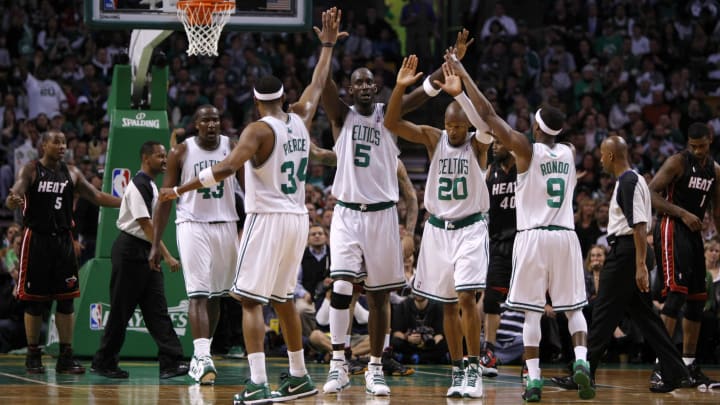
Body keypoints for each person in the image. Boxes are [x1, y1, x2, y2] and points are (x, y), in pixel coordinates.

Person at [158, 7, 342, 404]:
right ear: (281, 98)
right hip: (297, 217)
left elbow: (224, 169)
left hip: (268, 218)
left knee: (249, 300)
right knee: (284, 299)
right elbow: (316, 82)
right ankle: (298, 376)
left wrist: (180, 189)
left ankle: (258, 381)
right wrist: (326, 45)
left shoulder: (257, 130)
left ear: (257, 101)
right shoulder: (300, 118)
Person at [319, 28, 475, 398]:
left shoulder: (389, 115)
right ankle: (338, 363)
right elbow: (322, 83)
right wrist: (327, 47)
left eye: (371, 83)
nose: (365, 87)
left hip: (382, 216)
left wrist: (454, 61)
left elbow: (428, 89)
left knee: (378, 297)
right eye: (358, 83)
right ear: (350, 90)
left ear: (377, 89)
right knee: (341, 287)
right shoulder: (340, 116)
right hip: (346, 214)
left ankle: (375, 366)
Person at [440, 53, 593, 402]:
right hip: (567, 237)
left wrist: (463, 76)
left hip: (532, 238)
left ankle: (535, 379)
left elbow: (490, 117)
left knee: (531, 313)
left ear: (537, 128)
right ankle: (581, 360)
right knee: (574, 311)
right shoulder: (569, 152)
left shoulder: (526, 149)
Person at [383, 54, 490, 398]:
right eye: (451, 126)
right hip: (437, 230)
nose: (455, 131)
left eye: (460, 126)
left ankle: (474, 368)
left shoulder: (479, 143)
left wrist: (460, 93)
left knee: (466, 297)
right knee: (446, 304)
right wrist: (402, 88)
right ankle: (458, 370)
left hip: (470, 228)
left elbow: (486, 121)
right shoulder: (434, 138)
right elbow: (392, 121)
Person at [5, 130, 120, 374]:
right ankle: (33, 353)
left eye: (64, 142)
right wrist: (12, 199)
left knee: (66, 302)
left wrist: (128, 201)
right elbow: (16, 191)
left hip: (63, 242)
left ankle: (66, 356)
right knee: (34, 304)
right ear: (43, 145)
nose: (62, 146)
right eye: (56, 142)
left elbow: (97, 196)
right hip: (36, 240)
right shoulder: (31, 169)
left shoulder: (73, 172)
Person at [150, 104, 241, 385]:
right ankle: (201, 356)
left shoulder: (233, 146)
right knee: (198, 294)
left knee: (217, 295)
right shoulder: (182, 151)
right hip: (192, 225)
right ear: (196, 124)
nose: (212, 125)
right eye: (206, 120)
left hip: (226, 224)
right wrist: (156, 242)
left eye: (216, 119)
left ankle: (204, 353)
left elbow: (249, 188)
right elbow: (166, 198)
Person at [91, 141, 188, 379]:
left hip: (146, 251)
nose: (165, 160)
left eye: (166, 156)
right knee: (121, 311)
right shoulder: (137, 185)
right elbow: (146, 225)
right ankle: (103, 361)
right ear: (146, 159)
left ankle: (171, 363)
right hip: (131, 251)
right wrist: (166, 254)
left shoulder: (152, 185)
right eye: (159, 156)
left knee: (157, 309)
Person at [648, 122, 719, 387]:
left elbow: (718, 211)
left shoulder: (715, 171)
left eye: (702, 146)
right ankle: (662, 365)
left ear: (710, 141)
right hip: (671, 227)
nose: (698, 151)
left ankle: (688, 365)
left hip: (693, 234)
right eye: (693, 146)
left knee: (697, 300)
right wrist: (682, 213)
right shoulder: (677, 162)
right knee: (675, 296)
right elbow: (650, 193)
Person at [480, 136, 517, 378]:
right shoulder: (489, 173)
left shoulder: (524, 168)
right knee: (491, 299)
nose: (494, 147)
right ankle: (490, 351)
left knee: (532, 300)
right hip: (497, 244)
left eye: (499, 143)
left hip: (523, 241)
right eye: (493, 143)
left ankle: (534, 358)